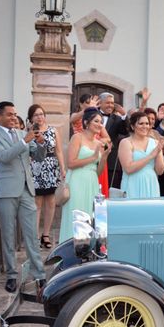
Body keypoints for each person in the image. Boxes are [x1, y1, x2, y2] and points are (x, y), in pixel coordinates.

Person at [0, 101, 46, 293]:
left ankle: (39, 275)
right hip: (6, 192)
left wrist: (40, 143)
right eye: (9, 114)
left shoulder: (22, 134)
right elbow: (3, 157)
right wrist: (25, 141)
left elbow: (38, 157)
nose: (13, 117)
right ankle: (11, 275)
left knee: (31, 235)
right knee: (9, 235)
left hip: (27, 190)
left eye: (15, 114)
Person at [59, 108, 110, 242]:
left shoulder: (99, 143)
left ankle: (86, 250)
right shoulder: (77, 138)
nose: (100, 125)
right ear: (87, 122)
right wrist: (93, 157)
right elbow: (70, 163)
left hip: (92, 181)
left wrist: (103, 157)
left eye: (101, 122)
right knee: (77, 215)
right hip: (77, 180)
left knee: (89, 216)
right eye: (96, 121)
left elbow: (97, 172)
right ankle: (70, 246)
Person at [27, 104, 65, 249]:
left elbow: (59, 151)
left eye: (42, 114)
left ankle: (46, 235)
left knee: (50, 202)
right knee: (37, 203)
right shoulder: (29, 132)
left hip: (51, 167)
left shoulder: (53, 130)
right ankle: (35, 236)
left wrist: (62, 168)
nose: (40, 117)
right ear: (31, 118)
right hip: (35, 168)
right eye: (36, 115)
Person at [71, 94, 111, 197]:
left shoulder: (97, 122)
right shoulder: (77, 116)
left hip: (94, 161)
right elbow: (72, 120)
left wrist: (95, 142)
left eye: (91, 103)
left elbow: (107, 138)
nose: (90, 105)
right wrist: (88, 109)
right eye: (87, 103)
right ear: (81, 104)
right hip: (79, 152)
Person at [119, 111, 164, 199]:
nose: (145, 126)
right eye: (141, 123)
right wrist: (151, 155)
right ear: (132, 126)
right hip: (132, 183)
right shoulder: (126, 142)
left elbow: (160, 171)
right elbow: (128, 168)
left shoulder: (154, 142)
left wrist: (159, 152)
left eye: (147, 123)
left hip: (151, 183)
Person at [99, 92, 129, 189]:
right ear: (100, 103)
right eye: (107, 103)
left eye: (112, 103)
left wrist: (124, 115)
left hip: (111, 161)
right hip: (93, 158)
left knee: (110, 189)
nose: (110, 105)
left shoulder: (117, 119)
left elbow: (125, 131)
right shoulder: (93, 116)